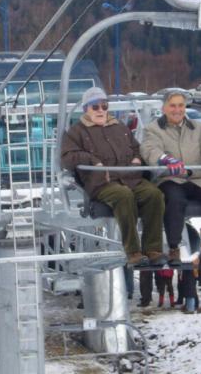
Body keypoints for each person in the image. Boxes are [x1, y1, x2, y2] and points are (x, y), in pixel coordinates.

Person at [62, 87, 166, 266]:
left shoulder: (119, 127)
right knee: (123, 196)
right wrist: (91, 159)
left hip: (130, 177)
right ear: (86, 109)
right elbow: (67, 158)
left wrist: (137, 158)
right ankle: (133, 252)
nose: (101, 110)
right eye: (95, 107)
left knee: (154, 195)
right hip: (102, 182)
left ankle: (153, 249)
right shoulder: (76, 132)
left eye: (104, 106)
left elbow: (135, 147)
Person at [141, 89, 201, 268]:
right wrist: (164, 159)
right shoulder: (153, 129)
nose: (177, 110)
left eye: (181, 105)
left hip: (199, 178)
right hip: (172, 178)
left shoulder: (197, 128)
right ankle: (174, 247)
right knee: (175, 199)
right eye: (173, 106)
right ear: (164, 108)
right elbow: (150, 148)